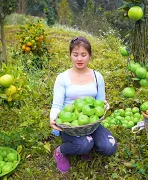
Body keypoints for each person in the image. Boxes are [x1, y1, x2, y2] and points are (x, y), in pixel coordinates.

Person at [49, 36, 117, 173]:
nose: (79, 59)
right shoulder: (62, 78)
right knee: (84, 144)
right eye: (75, 55)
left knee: (109, 147)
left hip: (91, 123)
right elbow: (57, 104)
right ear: (70, 56)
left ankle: (88, 144)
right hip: (70, 124)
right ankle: (61, 151)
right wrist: (53, 118)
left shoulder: (98, 76)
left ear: (89, 56)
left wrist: (105, 105)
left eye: (83, 55)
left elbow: (100, 102)